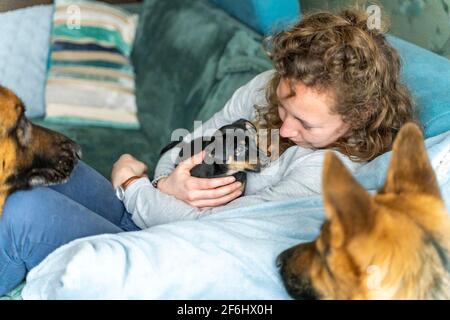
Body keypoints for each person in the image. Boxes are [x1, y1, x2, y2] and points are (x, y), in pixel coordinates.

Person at [0, 8, 415, 296]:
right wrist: (166, 182)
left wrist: (133, 186)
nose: (287, 128)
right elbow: (184, 146)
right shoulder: (268, 87)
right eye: (285, 109)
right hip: (155, 214)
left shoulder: (330, 173)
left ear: (357, 117)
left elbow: (211, 235)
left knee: (24, 213)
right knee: (52, 169)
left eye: (306, 124)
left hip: (166, 254)